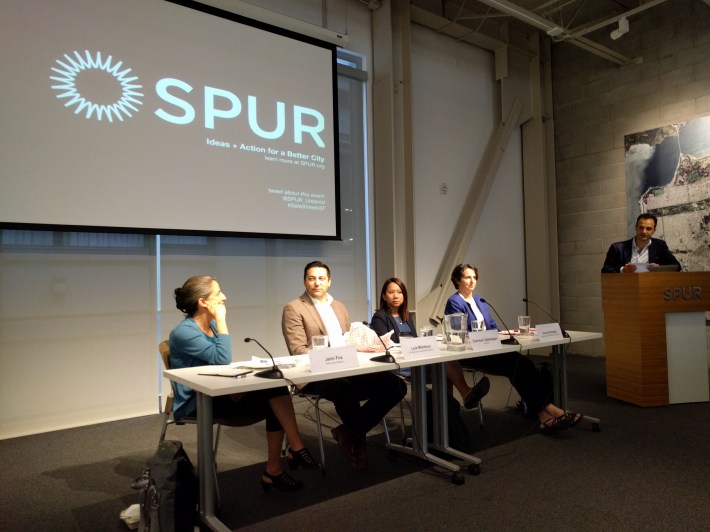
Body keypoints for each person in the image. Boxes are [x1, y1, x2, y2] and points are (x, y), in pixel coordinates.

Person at [169, 275, 321, 493]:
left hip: (216, 393)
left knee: (275, 388)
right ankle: (294, 451)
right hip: (197, 401)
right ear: (203, 302)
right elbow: (222, 359)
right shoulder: (185, 332)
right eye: (218, 293)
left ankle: (276, 468)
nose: (224, 297)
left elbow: (217, 367)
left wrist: (239, 387)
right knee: (275, 399)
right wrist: (222, 320)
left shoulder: (208, 325)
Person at [281, 261, 407, 469]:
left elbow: (351, 340)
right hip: (315, 373)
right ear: (305, 281)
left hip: (349, 367)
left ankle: (348, 432)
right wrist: (332, 357)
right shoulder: (294, 308)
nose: (316, 283)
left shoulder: (339, 306)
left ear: (329, 281)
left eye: (321, 278)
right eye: (311, 278)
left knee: (395, 385)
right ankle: (359, 442)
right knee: (345, 390)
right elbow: (298, 351)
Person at [444, 264, 582, 433]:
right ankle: (551, 412)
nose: (472, 281)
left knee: (525, 365)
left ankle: (544, 415)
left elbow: (493, 327)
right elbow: (461, 333)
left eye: (474, 277)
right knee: (518, 365)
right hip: (473, 353)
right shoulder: (455, 301)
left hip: (490, 349)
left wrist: (503, 336)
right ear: (458, 280)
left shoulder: (480, 300)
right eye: (467, 277)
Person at [602, 213, 681, 273]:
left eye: (648, 228)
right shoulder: (617, 248)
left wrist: (659, 268)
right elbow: (605, 270)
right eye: (641, 227)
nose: (644, 231)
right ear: (636, 227)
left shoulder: (660, 246)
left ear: (654, 231)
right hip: (625, 289)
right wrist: (623, 269)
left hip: (651, 288)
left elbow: (677, 267)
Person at [370, 277, 416, 343]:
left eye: (399, 292)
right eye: (391, 292)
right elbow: (387, 344)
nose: (396, 296)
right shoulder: (379, 317)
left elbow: (415, 338)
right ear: (384, 296)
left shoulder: (407, 315)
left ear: (404, 296)